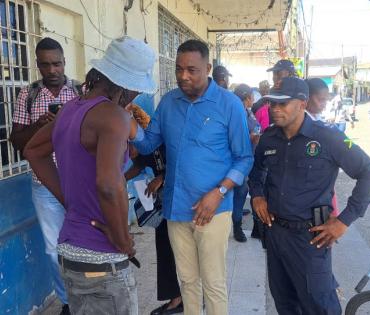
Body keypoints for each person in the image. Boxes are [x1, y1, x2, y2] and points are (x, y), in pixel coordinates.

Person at [24, 36, 157, 315]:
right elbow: (109, 185)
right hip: (103, 259)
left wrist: (69, 199)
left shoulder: (71, 109)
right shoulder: (114, 117)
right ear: (127, 84)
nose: (135, 96)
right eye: (136, 90)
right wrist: (122, 239)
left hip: (70, 254)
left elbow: (33, 150)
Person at [133, 39, 253, 315]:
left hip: (213, 210)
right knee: (187, 281)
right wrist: (129, 127)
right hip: (177, 209)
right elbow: (149, 144)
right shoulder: (169, 102)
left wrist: (219, 192)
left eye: (191, 70)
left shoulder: (229, 105)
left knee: (213, 283)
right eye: (178, 69)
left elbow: (244, 157)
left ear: (208, 68)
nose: (183, 76)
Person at [248, 77, 370, 315]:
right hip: (276, 234)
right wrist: (257, 195)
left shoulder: (328, 137)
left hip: (310, 238)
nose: (275, 109)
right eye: (272, 104)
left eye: (283, 104)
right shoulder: (269, 137)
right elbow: (257, 169)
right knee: (285, 302)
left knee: (320, 306)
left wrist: (343, 221)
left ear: (302, 103)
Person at [10, 37, 82, 315]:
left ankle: (84, 297)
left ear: (64, 62)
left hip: (78, 182)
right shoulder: (27, 96)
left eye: (57, 64)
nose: (52, 70)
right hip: (44, 186)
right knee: (54, 250)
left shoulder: (79, 92)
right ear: (37, 65)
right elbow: (17, 141)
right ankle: (68, 302)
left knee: (82, 244)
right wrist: (40, 126)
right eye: (45, 65)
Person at [125, 106, 184, 315]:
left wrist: (162, 177)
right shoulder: (143, 148)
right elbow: (138, 166)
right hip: (165, 203)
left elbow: (185, 163)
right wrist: (118, 179)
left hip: (182, 201)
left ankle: (185, 296)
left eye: (131, 143)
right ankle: (176, 297)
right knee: (165, 248)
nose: (130, 149)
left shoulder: (166, 141)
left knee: (181, 250)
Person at [305, 78, 341, 217]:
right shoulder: (301, 126)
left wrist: (343, 221)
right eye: (321, 100)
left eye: (326, 100)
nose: (325, 104)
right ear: (306, 99)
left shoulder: (325, 127)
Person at [231, 84, 261, 243]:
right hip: (238, 161)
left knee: (241, 192)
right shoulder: (236, 114)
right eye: (252, 96)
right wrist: (251, 138)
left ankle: (237, 219)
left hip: (248, 160)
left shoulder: (248, 112)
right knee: (239, 191)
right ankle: (237, 226)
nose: (254, 99)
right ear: (247, 97)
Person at [252, 60, 296, 131]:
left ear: (290, 74)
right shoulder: (270, 94)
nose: (274, 77)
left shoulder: (299, 95)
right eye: (274, 74)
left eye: (278, 73)